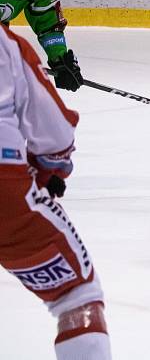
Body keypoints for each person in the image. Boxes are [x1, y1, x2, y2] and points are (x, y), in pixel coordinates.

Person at [0, 23, 111, 359]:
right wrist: (52, 169)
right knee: (76, 296)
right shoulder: (7, 43)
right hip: (6, 194)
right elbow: (56, 132)